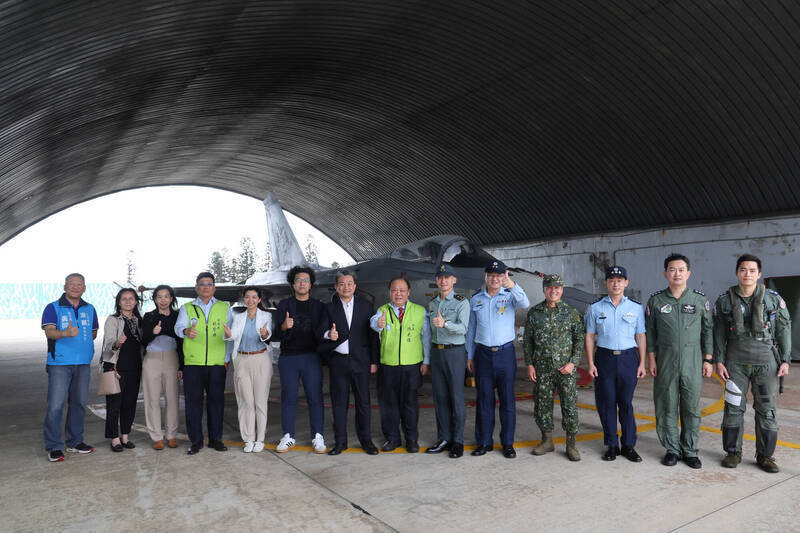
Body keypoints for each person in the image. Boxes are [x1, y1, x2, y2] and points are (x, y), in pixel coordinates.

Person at [714, 253, 791, 473]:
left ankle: (765, 456)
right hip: (735, 363)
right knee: (733, 408)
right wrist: (719, 360)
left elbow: (784, 328)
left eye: (752, 270)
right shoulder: (724, 301)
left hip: (766, 362)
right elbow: (718, 333)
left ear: (759, 274)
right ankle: (733, 452)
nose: (747, 274)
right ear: (737, 272)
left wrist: (785, 359)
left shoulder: (773, 299)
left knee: (767, 409)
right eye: (743, 270)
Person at [645, 254, 713, 469]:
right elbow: (650, 333)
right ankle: (672, 449)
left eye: (681, 269)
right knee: (666, 406)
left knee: (691, 407)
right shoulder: (656, 301)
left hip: (693, 360)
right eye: (672, 270)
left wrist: (708, 359)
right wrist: (651, 359)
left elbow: (708, 331)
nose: (677, 273)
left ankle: (690, 450)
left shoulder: (699, 301)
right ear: (665, 273)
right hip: (665, 360)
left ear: (688, 273)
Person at [466, 260, 530, 459]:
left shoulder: (510, 296)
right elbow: (471, 330)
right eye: (492, 275)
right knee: (484, 400)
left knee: (507, 401)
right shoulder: (476, 299)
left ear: (504, 276)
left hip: (505, 354)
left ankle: (508, 443)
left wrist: (512, 285)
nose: (495, 279)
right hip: (483, 354)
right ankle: (484, 442)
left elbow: (525, 303)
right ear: (486, 276)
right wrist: (470, 355)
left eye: (499, 275)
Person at [585, 265, 647, 462]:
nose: (616, 283)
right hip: (605, 358)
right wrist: (590, 363)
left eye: (620, 280)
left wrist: (642, 362)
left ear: (626, 283)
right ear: (606, 283)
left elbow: (641, 336)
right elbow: (589, 336)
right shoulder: (595, 308)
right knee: (607, 403)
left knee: (626, 404)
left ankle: (628, 445)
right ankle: (611, 444)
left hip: (629, 358)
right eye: (611, 280)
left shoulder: (635, 308)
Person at [523, 274, 584, 461]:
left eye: (557, 288)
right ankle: (547, 441)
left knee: (570, 406)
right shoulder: (535, 313)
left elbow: (579, 340)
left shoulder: (571, 312)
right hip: (542, 369)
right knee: (542, 405)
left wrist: (573, 363)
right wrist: (530, 364)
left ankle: (571, 445)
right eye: (550, 287)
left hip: (565, 370)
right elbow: (528, 341)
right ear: (544, 290)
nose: (553, 290)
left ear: (562, 290)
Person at [319, 270, 380, 455]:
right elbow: (320, 331)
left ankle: (366, 440)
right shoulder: (329, 308)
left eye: (349, 283)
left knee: (363, 402)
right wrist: (329, 335)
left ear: (355, 286)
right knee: (339, 403)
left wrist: (374, 361)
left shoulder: (366, 306)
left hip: (361, 362)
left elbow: (372, 336)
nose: (346, 287)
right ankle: (340, 442)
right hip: (338, 362)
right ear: (337, 287)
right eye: (342, 284)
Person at [41, 273, 99, 462]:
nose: (75, 287)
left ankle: (75, 442)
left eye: (79, 284)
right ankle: (54, 446)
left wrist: (83, 341)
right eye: (72, 284)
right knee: (56, 406)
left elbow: (93, 332)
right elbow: (49, 332)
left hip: (83, 363)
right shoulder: (53, 307)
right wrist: (65, 333)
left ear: (84, 288)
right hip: (59, 363)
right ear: (65, 286)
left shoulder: (90, 308)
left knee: (79, 403)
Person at [370, 277, 431, 453]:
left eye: (402, 290)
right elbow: (374, 323)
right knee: (388, 404)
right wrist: (378, 324)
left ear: (408, 292)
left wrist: (426, 361)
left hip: (412, 366)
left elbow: (425, 338)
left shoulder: (419, 311)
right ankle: (392, 438)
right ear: (390, 292)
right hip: (388, 366)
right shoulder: (383, 310)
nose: (398, 294)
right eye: (394, 290)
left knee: (410, 404)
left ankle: (411, 439)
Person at [174, 272, 232, 455]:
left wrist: (226, 359)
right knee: (193, 404)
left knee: (216, 403)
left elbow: (231, 336)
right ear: (196, 288)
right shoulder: (187, 308)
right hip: (193, 364)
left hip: (217, 364)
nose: (206, 287)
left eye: (209, 284)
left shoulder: (225, 307)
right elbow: (177, 328)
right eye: (202, 284)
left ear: (214, 287)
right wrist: (185, 330)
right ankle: (196, 440)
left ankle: (216, 439)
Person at [272, 266, 327, 454]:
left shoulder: (319, 306)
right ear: (293, 284)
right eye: (298, 280)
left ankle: (318, 435)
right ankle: (288, 435)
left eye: (305, 280)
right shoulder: (284, 305)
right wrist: (284, 326)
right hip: (289, 358)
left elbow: (324, 331)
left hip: (311, 357)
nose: (302, 283)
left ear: (311, 284)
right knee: (288, 396)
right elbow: (276, 333)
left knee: (315, 397)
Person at [424, 264, 470, 459]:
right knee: (440, 397)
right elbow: (429, 334)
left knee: (456, 398)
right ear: (437, 280)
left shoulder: (461, 302)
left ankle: (457, 441)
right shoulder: (433, 303)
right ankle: (444, 438)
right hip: (437, 353)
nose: (443, 280)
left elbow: (463, 328)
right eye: (440, 277)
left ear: (454, 280)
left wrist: (445, 324)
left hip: (454, 353)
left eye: (447, 277)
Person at [224, 286, 273, 453]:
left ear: (259, 300)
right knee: (246, 401)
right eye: (247, 297)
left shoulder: (267, 316)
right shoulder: (238, 317)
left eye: (254, 297)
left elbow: (268, 336)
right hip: (242, 360)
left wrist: (265, 334)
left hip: (261, 359)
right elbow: (234, 336)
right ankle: (249, 438)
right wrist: (229, 333)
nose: (250, 300)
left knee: (260, 401)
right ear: (243, 299)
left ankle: (260, 439)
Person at [140, 285, 183, 450]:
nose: (163, 300)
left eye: (166, 296)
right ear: (155, 299)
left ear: (171, 298)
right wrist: (153, 332)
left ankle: (171, 435)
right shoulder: (149, 316)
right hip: (152, 359)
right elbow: (143, 340)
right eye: (159, 296)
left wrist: (182, 366)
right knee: (152, 399)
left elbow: (181, 342)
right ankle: (156, 436)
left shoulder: (178, 316)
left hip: (172, 358)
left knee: (172, 398)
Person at [102, 288, 144, 452]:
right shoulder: (113, 320)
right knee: (114, 405)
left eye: (131, 298)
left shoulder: (139, 320)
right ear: (118, 302)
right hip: (115, 367)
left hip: (135, 367)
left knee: (129, 403)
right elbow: (108, 345)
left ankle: (125, 436)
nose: (128, 301)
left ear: (136, 302)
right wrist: (118, 343)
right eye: (124, 299)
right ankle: (114, 438)